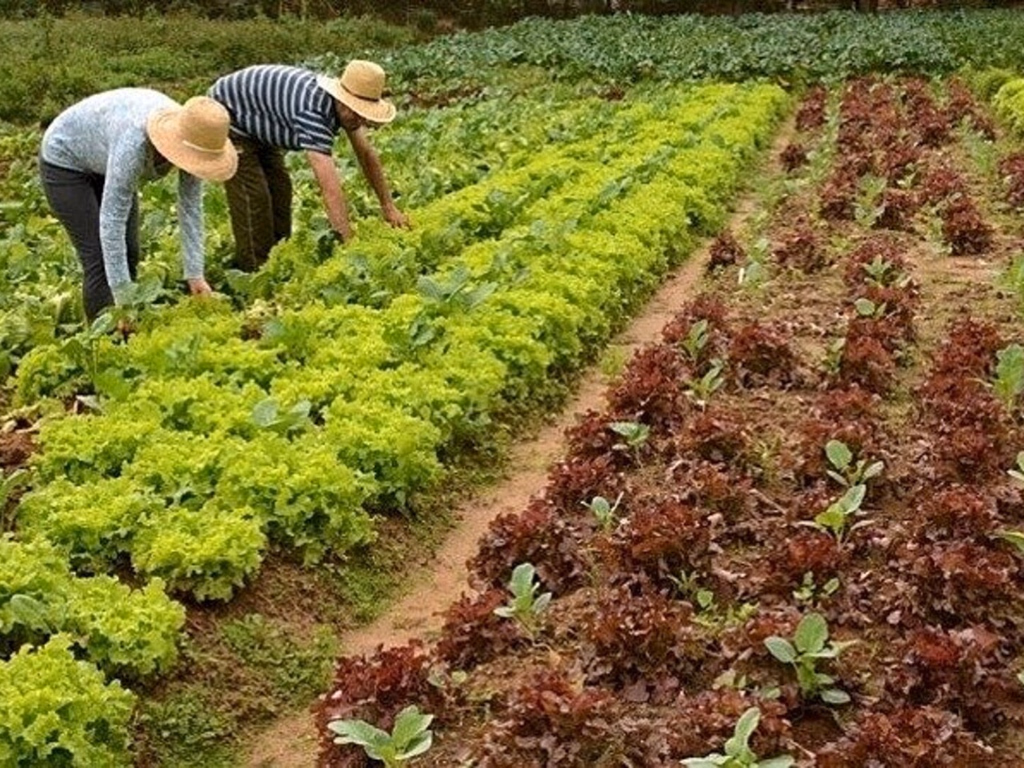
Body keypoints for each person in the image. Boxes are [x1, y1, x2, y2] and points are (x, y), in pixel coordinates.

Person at [39, 89, 238, 321]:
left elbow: (191, 208)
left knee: (131, 250)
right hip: (65, 159)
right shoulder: (134, 143)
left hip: (104, 155)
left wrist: (195, 274)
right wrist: (123, 302)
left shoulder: (197, 138)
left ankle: (126, 324)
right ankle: (103, 340)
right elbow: (112, 220)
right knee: (100, 259)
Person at [208, 60, 409, 271]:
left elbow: (366, 154)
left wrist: (388, 206)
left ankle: (277, 258)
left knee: (280, 188)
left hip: (260, 121)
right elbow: (329, 187)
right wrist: (348, 243)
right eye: (356, 111)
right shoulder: (312, 110)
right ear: (341, 98)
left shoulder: (347, 112)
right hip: (227, 115)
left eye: (364, 113)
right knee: (254, 197)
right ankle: (255, 271)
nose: (359, 118)